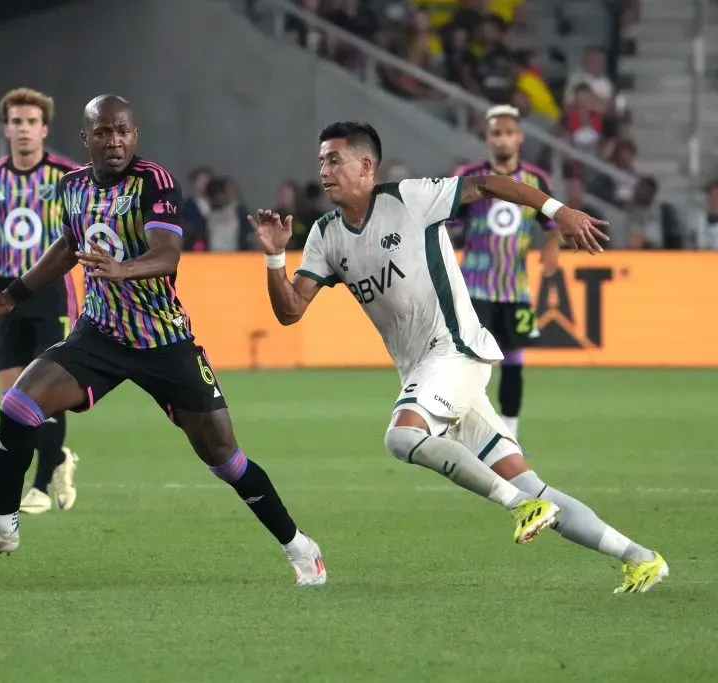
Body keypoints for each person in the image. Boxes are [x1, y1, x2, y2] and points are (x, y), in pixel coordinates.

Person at [250, 121, 667, 594]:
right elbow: (290, 311)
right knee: (534, 488)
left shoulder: (409, 198)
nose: (323, 170)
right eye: (321, 161)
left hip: (456, 351)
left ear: (366, 165)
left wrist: (558, 210)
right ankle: (639, 557)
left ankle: (517, 506)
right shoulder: (326, 235)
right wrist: (273, 259)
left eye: (334, 160)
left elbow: (486, 183)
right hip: (430, 372)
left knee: (402, 437)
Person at [0, 95, 326, 587]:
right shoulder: (72, 186)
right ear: (86, 139)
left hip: (164, 340)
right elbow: (66, 249)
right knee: (19, 405)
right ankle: (2, 526)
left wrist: (122, 269)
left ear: (135, 135)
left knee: (225, 459)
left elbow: (168, 254)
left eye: (123, 131)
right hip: (99, 334)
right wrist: (11, 295)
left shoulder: (154, 181)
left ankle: (300, 547)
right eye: (103, 132)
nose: (115, 141)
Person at [0, 88, 80, 514]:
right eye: (16, 121)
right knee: (13, 400)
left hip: (51, 292)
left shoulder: (68, 177)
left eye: (31, 122)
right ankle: (57, 457)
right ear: (6, 128)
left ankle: (38, 486)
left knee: (46, 391)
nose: (24, 129)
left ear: (44, 128)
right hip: (5, 295)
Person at [453, 105, 560, 438]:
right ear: (487, 139)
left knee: (514, 362)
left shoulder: (536, 179)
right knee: (470, 362)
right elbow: (445, 218)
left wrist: (553, 246)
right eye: (496, 133)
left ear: (520, 137)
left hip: (517, 289)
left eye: (508, 133)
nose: (502, 139)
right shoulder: (470, 175)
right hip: (473, 287)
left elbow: (552, 221)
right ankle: (464, 429)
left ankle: (510, 435)